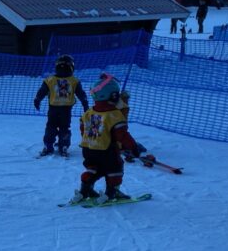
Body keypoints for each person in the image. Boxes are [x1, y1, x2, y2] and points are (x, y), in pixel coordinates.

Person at [71, 74, 145, 204]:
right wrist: (133, 148)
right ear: (113, 96)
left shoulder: (88, 112)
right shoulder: (114, 115)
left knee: (94, 168)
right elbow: (122, 135)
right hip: (106, 150)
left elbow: (83, 129)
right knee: (115, 168)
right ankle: (112, 192)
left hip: (88, 149)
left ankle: (85, 190)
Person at [33, 54, 88, 157]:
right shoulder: (74, 81)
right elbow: (81, 94)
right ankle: (63, 145)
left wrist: (37, 99)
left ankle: (48, 145)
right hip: (66, 110)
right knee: (64, 127)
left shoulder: (50, 80)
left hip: (53, 109)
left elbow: (42, 91)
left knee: (51, 126)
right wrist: (85, 103)